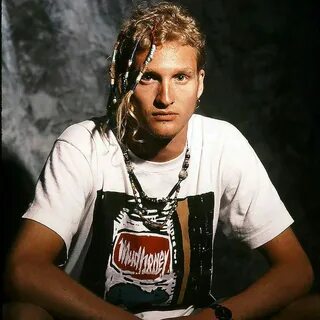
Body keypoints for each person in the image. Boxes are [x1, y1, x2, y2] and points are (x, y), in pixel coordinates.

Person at [3, 2, 314, 320]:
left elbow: (296, 270)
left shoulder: (223, 144)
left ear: (200, 83)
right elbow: (23, 269)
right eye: (148, 78)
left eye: (181, 77)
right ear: (121, 80)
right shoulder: (83, 146)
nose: (166, 97)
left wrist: (211, 317)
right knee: (21, 314)